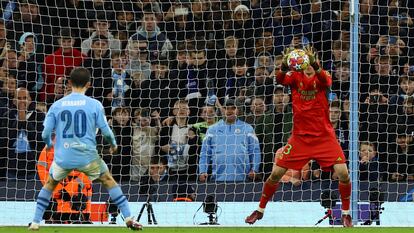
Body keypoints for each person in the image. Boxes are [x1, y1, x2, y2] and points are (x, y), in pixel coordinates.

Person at [245, 46, 353, 227]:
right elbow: (279, 78)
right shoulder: (295, 77)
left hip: (324, 137)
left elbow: (326, 81)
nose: (308, 65)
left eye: (311, 61)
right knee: (275, 174)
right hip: (300, 138)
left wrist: (314, 63)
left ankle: (346, 213)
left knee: (343, 173)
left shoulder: (322, 75)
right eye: (305, 61)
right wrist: (285, 64)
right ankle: (260, 210)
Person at [28, 68, 142, 231]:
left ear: (69, 83)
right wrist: (113, 144)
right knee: (109, 181)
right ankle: (129, 217)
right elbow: (106, 131)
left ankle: (35, 221)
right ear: (88, 84)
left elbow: (46, 133)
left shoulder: (57, 105)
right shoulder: (94, 104)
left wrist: (49, 144)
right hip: (87, 156)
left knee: (50, 184)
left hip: (64, 156)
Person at [199, 99, 261, 182]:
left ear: (238, 110)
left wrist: (255, 169)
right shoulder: (212, 129)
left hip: (243, 179)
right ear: (222, 110)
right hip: (217, 180)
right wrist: (202, 171)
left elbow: (255, 151)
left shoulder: (248, 128)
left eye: (233, 108)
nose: (229, 111)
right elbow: (205, 153)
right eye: (226, 108)